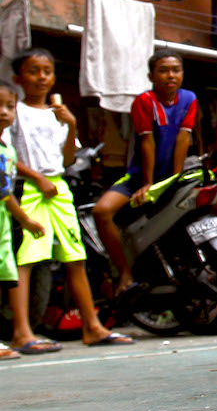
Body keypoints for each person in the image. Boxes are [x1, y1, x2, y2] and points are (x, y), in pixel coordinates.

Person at [8, 48, 134, 350]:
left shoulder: (58, 114)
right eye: (34, 71)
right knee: (25, 259)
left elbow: (66, 160)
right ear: (18, 78)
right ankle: (22, 332)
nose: (42, 77)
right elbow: (8, 157)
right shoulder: (15, 111)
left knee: (75, 257)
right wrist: (37, 178)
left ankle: (92, 326)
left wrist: (72, 125)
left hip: (59, 188)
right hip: (30, 188)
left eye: (47, 71)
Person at [92, 49, 197, 296]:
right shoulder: (144, 101)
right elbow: (146, 143)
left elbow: (184, 138)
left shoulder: (189, 98)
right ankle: (124, 274)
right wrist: (149, 183)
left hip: (173, 177)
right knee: (101, 211)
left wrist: (175, 179)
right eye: (163, 70)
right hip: (139, 177)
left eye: (176, 70)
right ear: (151, 75)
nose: (170, 75)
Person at [0, 80, 47, 361]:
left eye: (9, 106)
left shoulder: (7, 148)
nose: (4, 112)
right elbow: (4, 193)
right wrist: (26, 220)